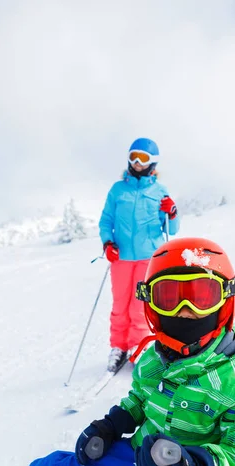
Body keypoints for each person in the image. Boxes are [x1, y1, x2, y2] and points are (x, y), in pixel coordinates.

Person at [26, 237, 235, 466]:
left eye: (201, 297)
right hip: (139, 453)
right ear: (150, 302)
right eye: (169, 297)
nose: (185, 311)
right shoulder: (154, 358)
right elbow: (140, 399)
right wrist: (112, 424)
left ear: (225, 300)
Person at [99, 137, 180, 373]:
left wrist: (172, 212)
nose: (136, 162)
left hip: (147, 257)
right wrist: (107, 243)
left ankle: (137, 346)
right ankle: (118, 347)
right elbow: (106, 220)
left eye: (142, 158)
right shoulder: (117, 190)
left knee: (138, 305)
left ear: (153, 162)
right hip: (121, 257)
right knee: (120, 304)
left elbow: (171, 229)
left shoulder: (159, 191)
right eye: (133, 156)